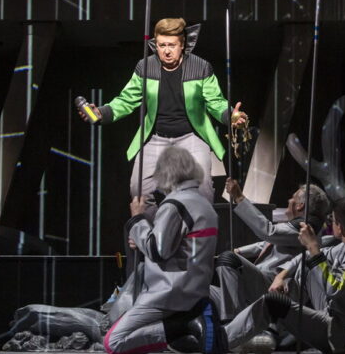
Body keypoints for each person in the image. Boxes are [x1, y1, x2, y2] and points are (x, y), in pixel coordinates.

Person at [78, 18, 247, 218]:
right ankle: (155, 233)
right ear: (155, 44)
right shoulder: (145, 66)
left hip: (191, 136)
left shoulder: (200, 67)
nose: (166, 51)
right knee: (138, 190)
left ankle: (197, 233)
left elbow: (215, 101)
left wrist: (230, 115)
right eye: (161, 45)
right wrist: (101, 113)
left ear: (182, 45)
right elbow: (126, 100)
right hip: (156, 137)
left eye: (172, 45)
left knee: (203, 189)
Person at [222, 197, 345, 354]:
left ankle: (222, 340)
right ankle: (264, 327)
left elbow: (334, 287)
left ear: (340, 226)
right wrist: (282, 276)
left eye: (333, 220)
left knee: (273, 302)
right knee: (308, 266)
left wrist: (313, 247)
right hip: (337, 321)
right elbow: (307, 256)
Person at [103, 146, 226, 354]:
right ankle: (192, 326)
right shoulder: (205, 206)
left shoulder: (174, 205)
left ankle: (186, 324)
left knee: (113, 342)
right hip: (195, 292)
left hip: (167, 295)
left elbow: (157, 250)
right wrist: (143, 236)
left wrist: (137, 220)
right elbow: (183, 247)